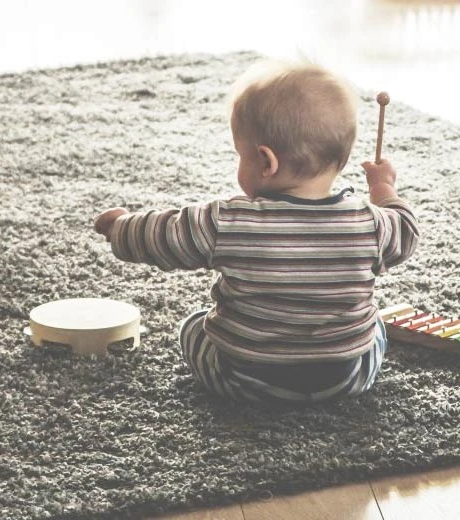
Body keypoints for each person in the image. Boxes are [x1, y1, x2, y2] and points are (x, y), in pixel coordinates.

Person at [94, 59, 419, 404]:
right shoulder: (371, 224)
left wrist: (120, 226)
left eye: (241, 156)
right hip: (346, 379)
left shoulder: (226, 222)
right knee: (376, 327)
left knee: (192, 326)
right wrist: (383, 188)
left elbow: (162, 235)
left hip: (244, 379)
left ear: (266, 162)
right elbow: (406, 230)